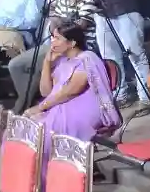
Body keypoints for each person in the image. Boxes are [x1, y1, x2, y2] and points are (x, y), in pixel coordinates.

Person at [22, 22, 122, 159]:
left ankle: (57, 168)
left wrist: (40, 107)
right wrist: (47, 63)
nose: (52, 41)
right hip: (62, 105)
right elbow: (46, 92)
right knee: (25, 121)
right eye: (52, 37)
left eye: (57, 38)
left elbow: (70, 92)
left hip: (85, 109)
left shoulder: (87, 58)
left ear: (72, 43)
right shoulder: (62, 60)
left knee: (39, 127)